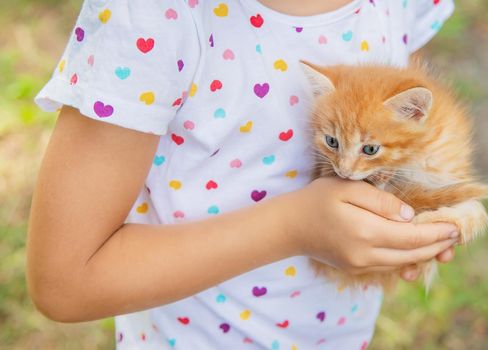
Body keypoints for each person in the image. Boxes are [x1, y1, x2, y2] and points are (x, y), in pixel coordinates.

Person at [27, 0, 457, 348]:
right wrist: (292, 228)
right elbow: (64, 282)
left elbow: (406, 103)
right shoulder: (152, 16)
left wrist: (405, 223)